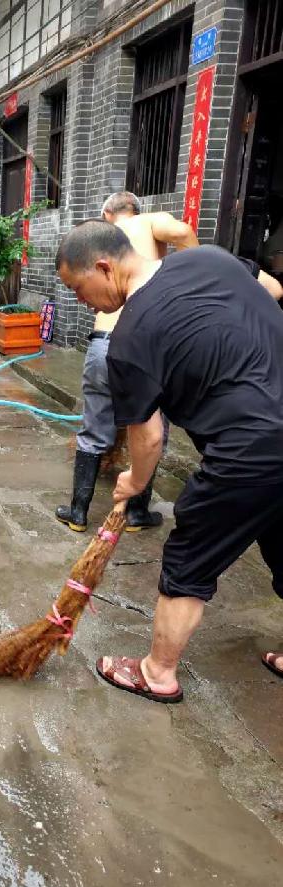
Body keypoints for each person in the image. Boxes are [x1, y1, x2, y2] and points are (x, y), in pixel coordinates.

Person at [56, 221, 283, 703]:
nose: (82, 301)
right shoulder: (211, 258)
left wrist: (134, 482)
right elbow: (273, 288)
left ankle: (156, 673)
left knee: (189, 560)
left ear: (103, 266)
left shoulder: (130, 338)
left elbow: (150, 436)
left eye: (78, 289)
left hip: (249, 449)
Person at [56, 192, 199, 533]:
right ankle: (136, 513)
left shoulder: (107, 240)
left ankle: (78, 511)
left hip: (102, 347)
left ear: (107, 215)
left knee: (94, 427)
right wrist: (185, 283)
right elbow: (182, 233)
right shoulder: (150, 222)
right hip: (146, 348)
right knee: (153, 429)